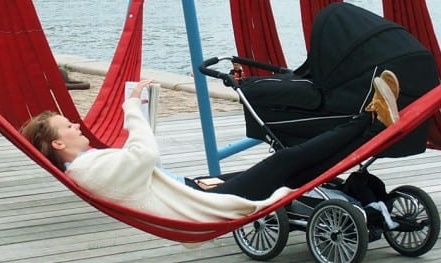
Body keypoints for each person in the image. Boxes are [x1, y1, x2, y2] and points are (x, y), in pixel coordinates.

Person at [20, 71, 401, 225]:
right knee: (287, 160)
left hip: (193, 190)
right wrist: (130, 109)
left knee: (296, 171)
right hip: (199, 208)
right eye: (67, 127)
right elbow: (145, 156)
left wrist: (198, 182)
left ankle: (370, 125)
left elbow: (144, 177)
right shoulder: (87, 169)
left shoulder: (88, 165)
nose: (76, 125)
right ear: (57, 143)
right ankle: (368, 121)